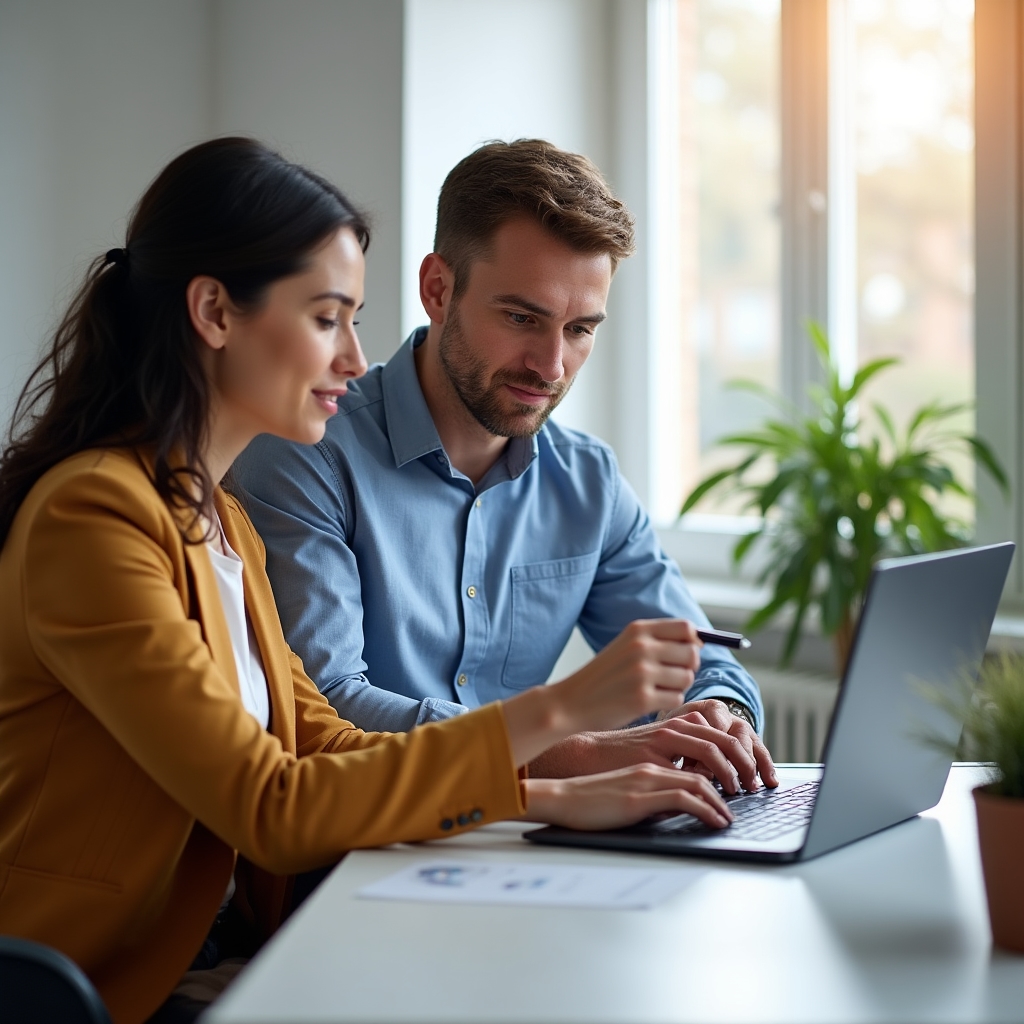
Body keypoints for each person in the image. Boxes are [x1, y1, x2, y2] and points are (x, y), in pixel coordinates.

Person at [0, 138, 747, 1024]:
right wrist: (564, 718)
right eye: (327, 318)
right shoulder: (95, 515)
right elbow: (271, 801)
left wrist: (558, 797)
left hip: (222, 946)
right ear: (214, 313)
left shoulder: (217, 520)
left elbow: (314, 738)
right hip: (93, 985)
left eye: (353, 319)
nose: (355, 358)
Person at [234, 139, 776, 782]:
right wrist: (570, 757)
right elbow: (322, 712)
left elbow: (708, 664)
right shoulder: (306, 454)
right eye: (523, 317)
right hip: (365, 849)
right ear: (438, 289)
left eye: (580, 330)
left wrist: (715, 716)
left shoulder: (588, 484)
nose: (551, 367)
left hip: (539, 843)